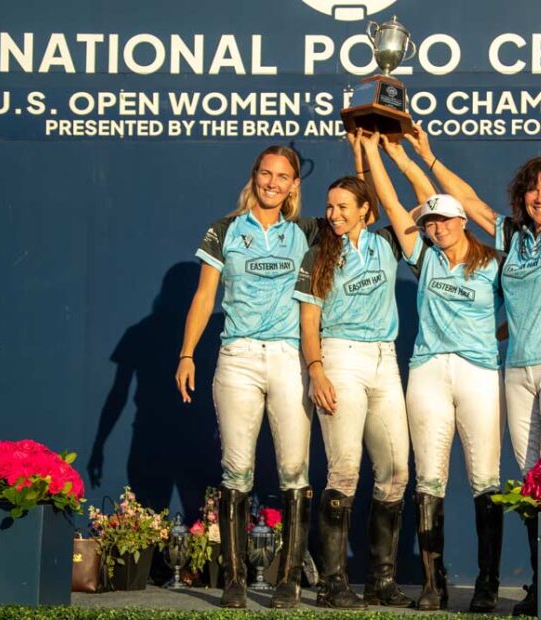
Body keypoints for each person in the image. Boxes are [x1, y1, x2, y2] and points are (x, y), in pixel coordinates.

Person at [405, 50, 541, 615]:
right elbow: (470, 203)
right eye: (533, 189)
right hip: (517, 370)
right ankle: (540, 586)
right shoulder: (512, 235)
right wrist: (429, 158)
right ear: (523, 196)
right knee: (530, 482)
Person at [360, 130, 505, 612]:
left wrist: (492, 338)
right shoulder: (423, 257)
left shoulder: (494, 264)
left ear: (462, 221)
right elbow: (391, 203)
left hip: (480, 373)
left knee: (486, 477)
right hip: (427, 373)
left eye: (444, 219)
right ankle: (433, 583)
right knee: (430, 480)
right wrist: (377, 153)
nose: (436, 227)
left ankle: (486, 584)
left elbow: (520, 316)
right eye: (430, 222)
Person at [174, 145, 318, 609]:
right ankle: (234, 580)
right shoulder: (225, 229)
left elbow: (363, 204)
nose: (272, 183)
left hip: (289, 358)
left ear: (295, 185)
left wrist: (366, 150)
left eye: (282, 176)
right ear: (254, 176)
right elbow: (203, 296)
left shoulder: (307, 231)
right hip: (237, 357)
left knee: (295, 470)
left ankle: (288, 581)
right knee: (237, 470)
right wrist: (187, 353)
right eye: (265, 173)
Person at [293, 175, 412, 610]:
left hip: (385, 359)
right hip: (340, 356)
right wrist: (317, 371)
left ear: (366, 208)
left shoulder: (387, 244)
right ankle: (332, 584)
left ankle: (381, 580)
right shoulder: (319, 252)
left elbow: (403, 207)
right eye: (330, 206)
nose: (334, 214)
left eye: (344, 206)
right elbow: (308, 323)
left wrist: (374, 150)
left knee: (396, 472)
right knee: (344, 472)